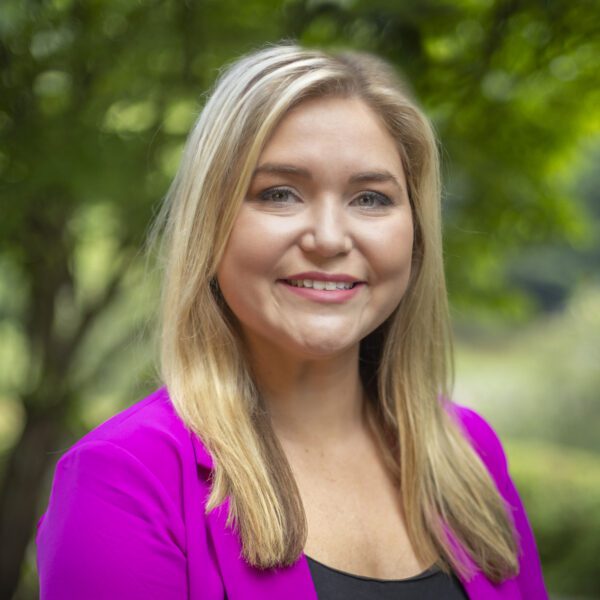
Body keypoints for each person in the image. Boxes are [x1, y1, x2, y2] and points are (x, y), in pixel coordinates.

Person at [36, 44, 548, 599]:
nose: (329, 239)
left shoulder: (468, 452)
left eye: (371, 198)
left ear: (416, 236)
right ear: (210, 224)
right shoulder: (125, 478)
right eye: (279, 193)